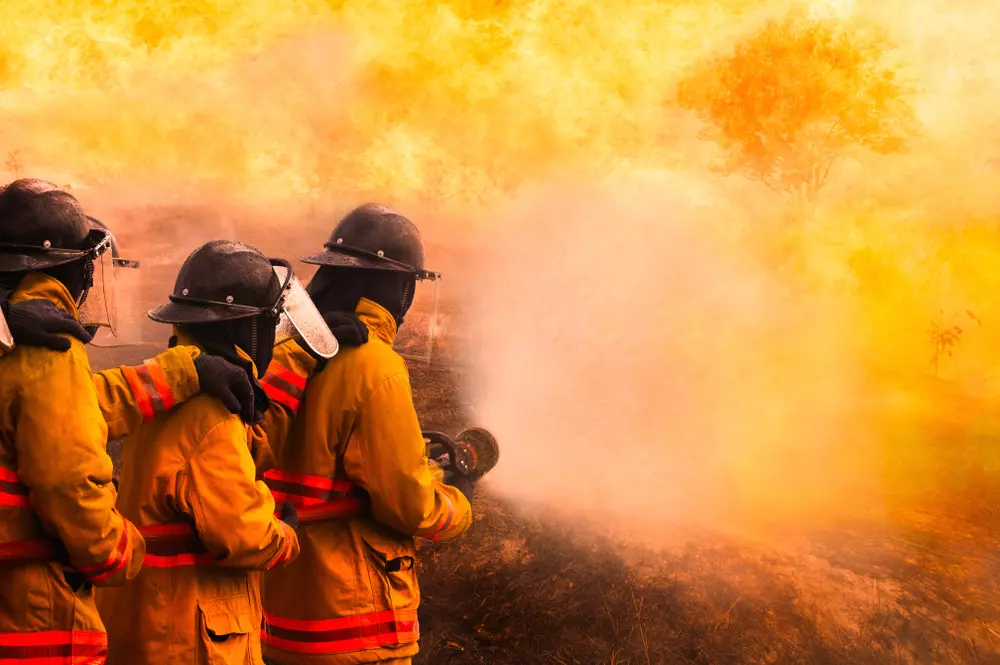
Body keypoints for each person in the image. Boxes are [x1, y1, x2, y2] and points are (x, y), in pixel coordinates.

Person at [95, 239, 340, 665]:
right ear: (246, 329)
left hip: (148, 622)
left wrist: (297, 362)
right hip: (189, 638)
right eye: (269, 324)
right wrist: (283, 530)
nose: (271, 334)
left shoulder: (165, 397)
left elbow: (213, 473)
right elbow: (242, 536)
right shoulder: (213, 417)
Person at [257, 204, 474, 665]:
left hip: (273, 612)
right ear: (400, 288)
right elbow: (407, 503)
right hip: (353, 624)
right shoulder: (375, 367)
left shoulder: (281, 349)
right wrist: (456, 502)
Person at [0, 178, 149, 663]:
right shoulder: (49, 348)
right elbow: (67, 480)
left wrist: (182, 373)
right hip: (32, 611)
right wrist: (118, 551)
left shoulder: (10, 332)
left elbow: (75, 403)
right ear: (72, 265)